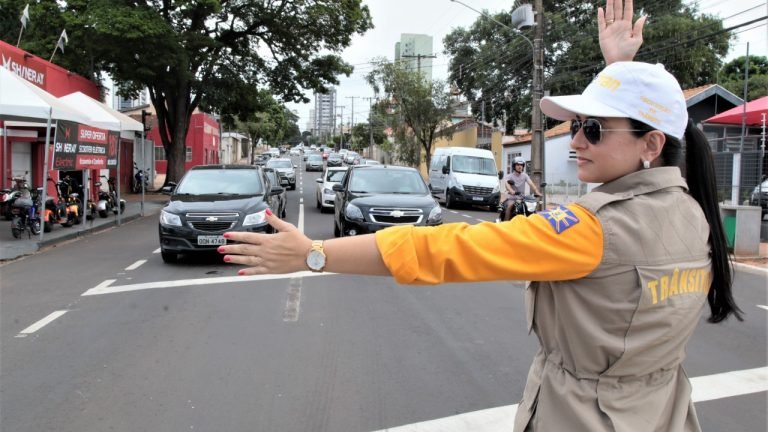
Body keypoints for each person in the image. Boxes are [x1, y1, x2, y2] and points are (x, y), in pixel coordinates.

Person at [218, 0, 742, 430]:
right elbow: (654, 128)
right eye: (578, 124)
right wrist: (618, 71)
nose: (576, 141)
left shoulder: (593, 231)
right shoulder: (694, 213)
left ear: (651, 144)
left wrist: (313, 253)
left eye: (594, 129)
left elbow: (447, 248)